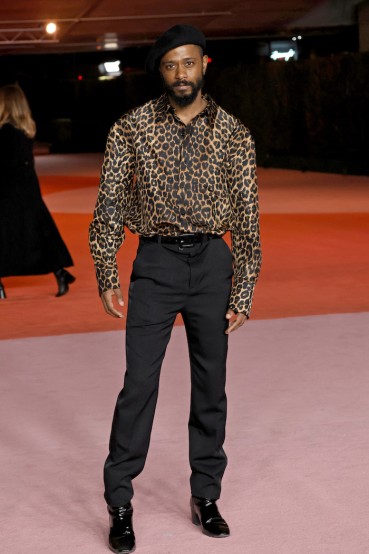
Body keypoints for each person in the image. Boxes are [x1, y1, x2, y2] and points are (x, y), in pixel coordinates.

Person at [89, 24, 261, 554]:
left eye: (189, 62)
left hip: (213, 264)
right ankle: (120, 501)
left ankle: (206, 495)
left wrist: (244, 286)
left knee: (211, 388)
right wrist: (106, 270)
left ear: (205, 64)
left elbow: (249, 216)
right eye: (170, 65)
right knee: (138, 386)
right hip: (156, 266)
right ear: (160, 72)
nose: (180, 73)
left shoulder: (235, 134)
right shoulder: (131, 130)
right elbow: (110, 204)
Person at [0, 84, 75, 299]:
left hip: (7, 189)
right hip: (27, 187)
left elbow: (6, 164)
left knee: (8, 234)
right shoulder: (26, 128)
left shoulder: (4, 132)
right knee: (38, 232)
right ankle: (60, 272)